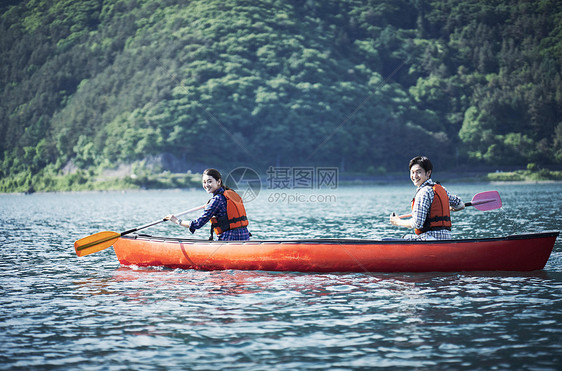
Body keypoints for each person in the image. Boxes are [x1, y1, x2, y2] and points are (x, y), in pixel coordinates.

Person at [389, 156, 465, 240]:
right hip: (446, 239)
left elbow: (417, 224)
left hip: (429, 238)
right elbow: (460, 205)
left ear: (428, 173)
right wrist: (451, 208)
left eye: (418, 172)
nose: (415, 176)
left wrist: (398, 222)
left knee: (403, 237)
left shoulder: (423, 192)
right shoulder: (441, 189)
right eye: (412, 172)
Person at [165, 168, 250, 241]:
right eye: (204, 182)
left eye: (209, 181)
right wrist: (210, 206)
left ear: (218, 181)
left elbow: (197, 224)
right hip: (244, 237)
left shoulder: (216, 200)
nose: (206, 185)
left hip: (229, 239)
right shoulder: (231, 194)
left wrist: (177, 221)